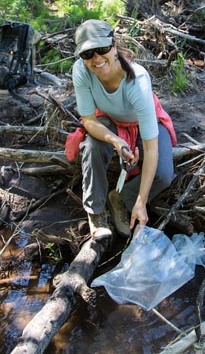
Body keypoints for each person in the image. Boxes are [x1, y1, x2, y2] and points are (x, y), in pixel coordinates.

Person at [65, 19, 177, 241]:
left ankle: (122, 198)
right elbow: (88, 120)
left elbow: (150, 146)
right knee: (92, 145)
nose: (96, 59)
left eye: (102, 50)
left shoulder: (137, 80)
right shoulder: (81, 71)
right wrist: (116, 140)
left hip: (145, 122)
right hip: (108, 120)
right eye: (88, 54)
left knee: (164, 175)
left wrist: (141, 202)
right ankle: (95, 213)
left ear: (113, 46)